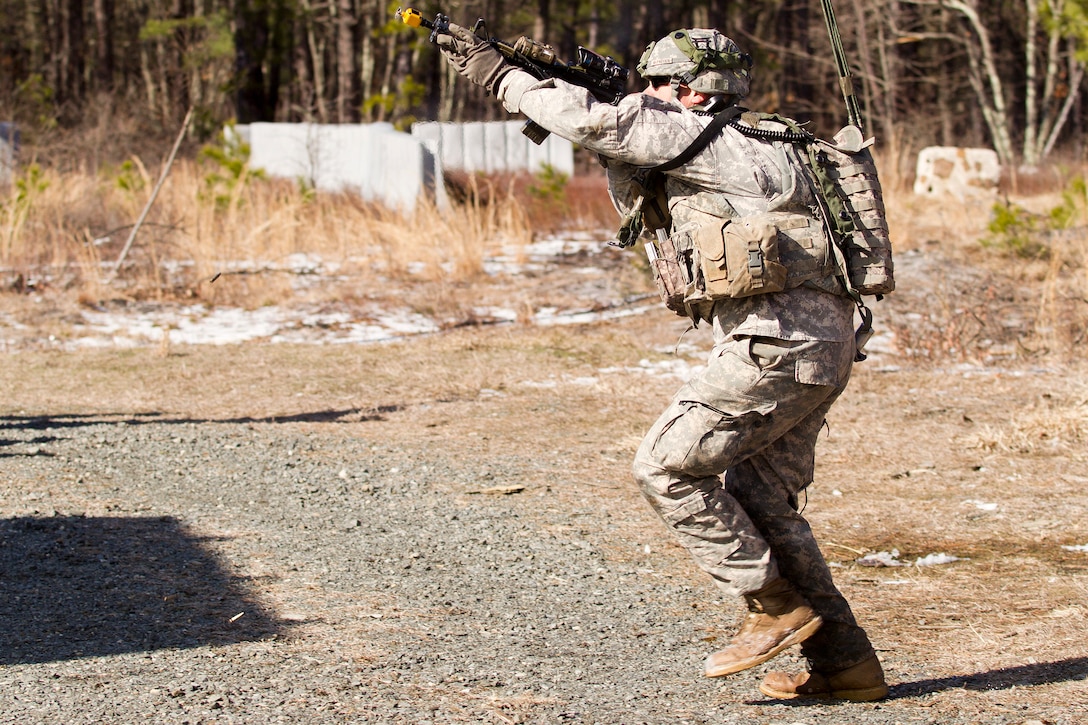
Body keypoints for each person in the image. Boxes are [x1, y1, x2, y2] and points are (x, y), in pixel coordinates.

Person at [436, 22, 889, 702]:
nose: (646, 97)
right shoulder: (775, 139)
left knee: (665, 464)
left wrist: (502, 76)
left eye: (659, 87)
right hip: (827, 343)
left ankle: (773, 606)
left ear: (696, 94)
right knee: (765, 501)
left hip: (776, 344)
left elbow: (597, 123)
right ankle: (846, 665)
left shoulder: (690, 132)